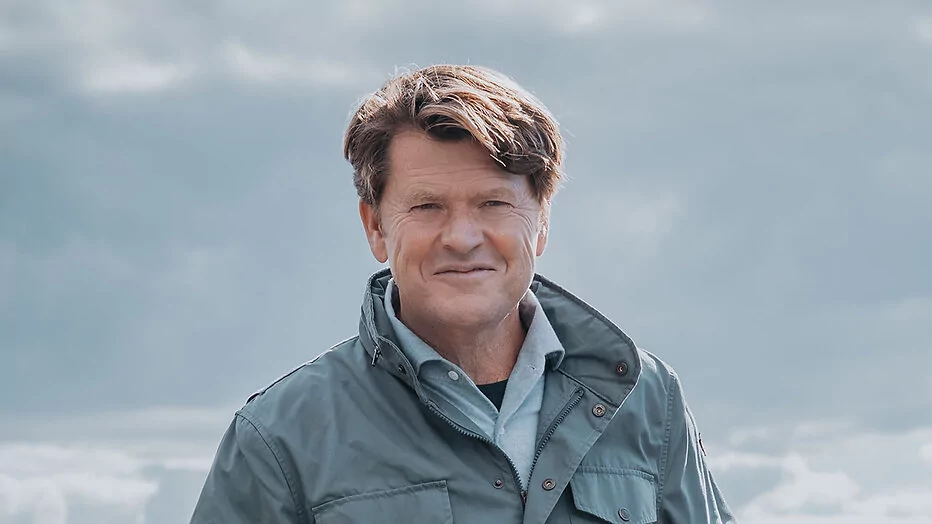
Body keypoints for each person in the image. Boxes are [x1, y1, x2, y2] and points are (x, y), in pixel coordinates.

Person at [191, 64, 736, 523]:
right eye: (427, 206)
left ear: (542, 222)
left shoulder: (648, 399)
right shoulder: (279, 438)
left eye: (493, 203)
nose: (461, 237)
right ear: (375, 227)